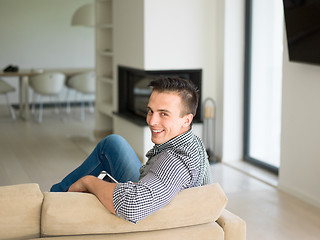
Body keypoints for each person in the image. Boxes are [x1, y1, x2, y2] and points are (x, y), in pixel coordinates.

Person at [50, 76, 212, 224]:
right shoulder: (190, 139)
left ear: (187, 120)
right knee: (112, 144)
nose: (152, 121)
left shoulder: (177, 161)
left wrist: (89, 181)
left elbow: (133, 206)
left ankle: (52, 204)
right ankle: (55, 197)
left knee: (97, 169)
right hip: (155, 192)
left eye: (163, 114)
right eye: (150, 111)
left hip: (151, 219)